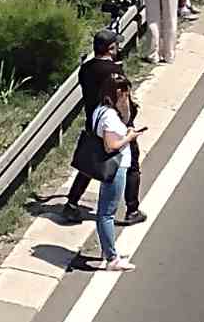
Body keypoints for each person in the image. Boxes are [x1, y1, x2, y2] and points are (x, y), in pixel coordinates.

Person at [62, 30, 145, 225]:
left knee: (90, 164)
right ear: (111, 48)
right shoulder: (114, 72)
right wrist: (128, 122)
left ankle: (72, 203)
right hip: (113, 123)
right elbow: (123, 101)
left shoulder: (86, 68)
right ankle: (132, 209)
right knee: (132, 165)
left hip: (93, 120)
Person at [85, 73, 142, 271]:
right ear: (119, 93)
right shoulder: (109, 116)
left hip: (111, 165)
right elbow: (111, 146)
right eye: (126, 93)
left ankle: (108, 250)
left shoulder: (100, 110)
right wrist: (130, 137)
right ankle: (112, 258)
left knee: (105, 210)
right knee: (107, 213)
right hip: (116, 166)